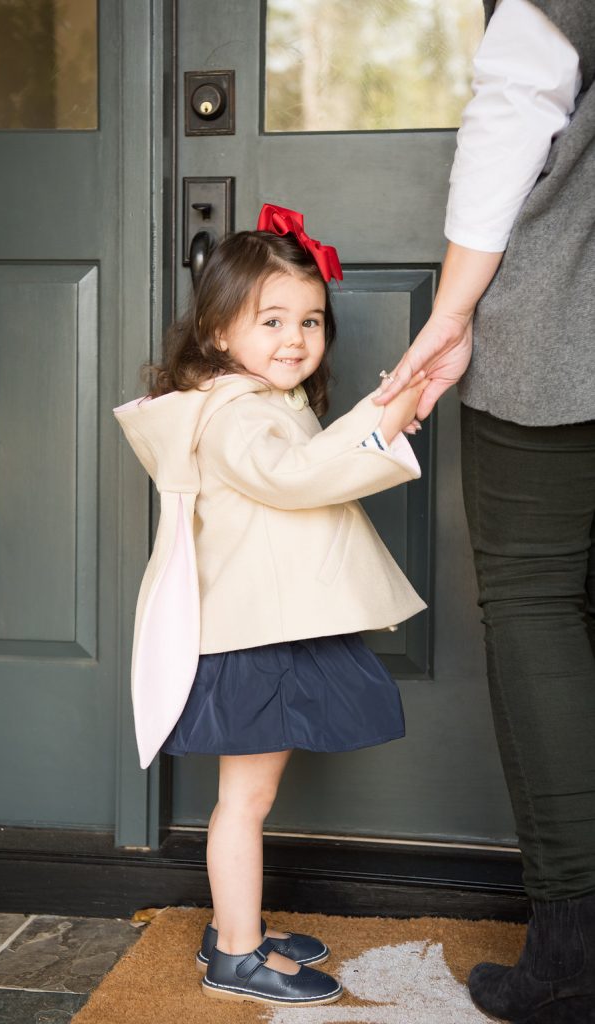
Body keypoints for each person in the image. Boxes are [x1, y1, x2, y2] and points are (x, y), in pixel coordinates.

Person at [114, 204, 427, 1008]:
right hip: (253, 638)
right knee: (245, 802)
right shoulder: (237, 415)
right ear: (218, 330)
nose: (296, 338)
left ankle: (234, 927)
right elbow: (297, 479)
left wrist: (379, 420)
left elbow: (308, 464)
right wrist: (384, 422)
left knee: (250, 798)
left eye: (311, 320)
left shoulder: (256, 400)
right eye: (274, 320)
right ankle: (238, 955)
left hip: (267, 627)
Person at [374, 0, 595, 1020]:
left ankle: (573, 955)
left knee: (536, 599)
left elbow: (518, 99)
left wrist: (450, 313)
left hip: (568, 319)